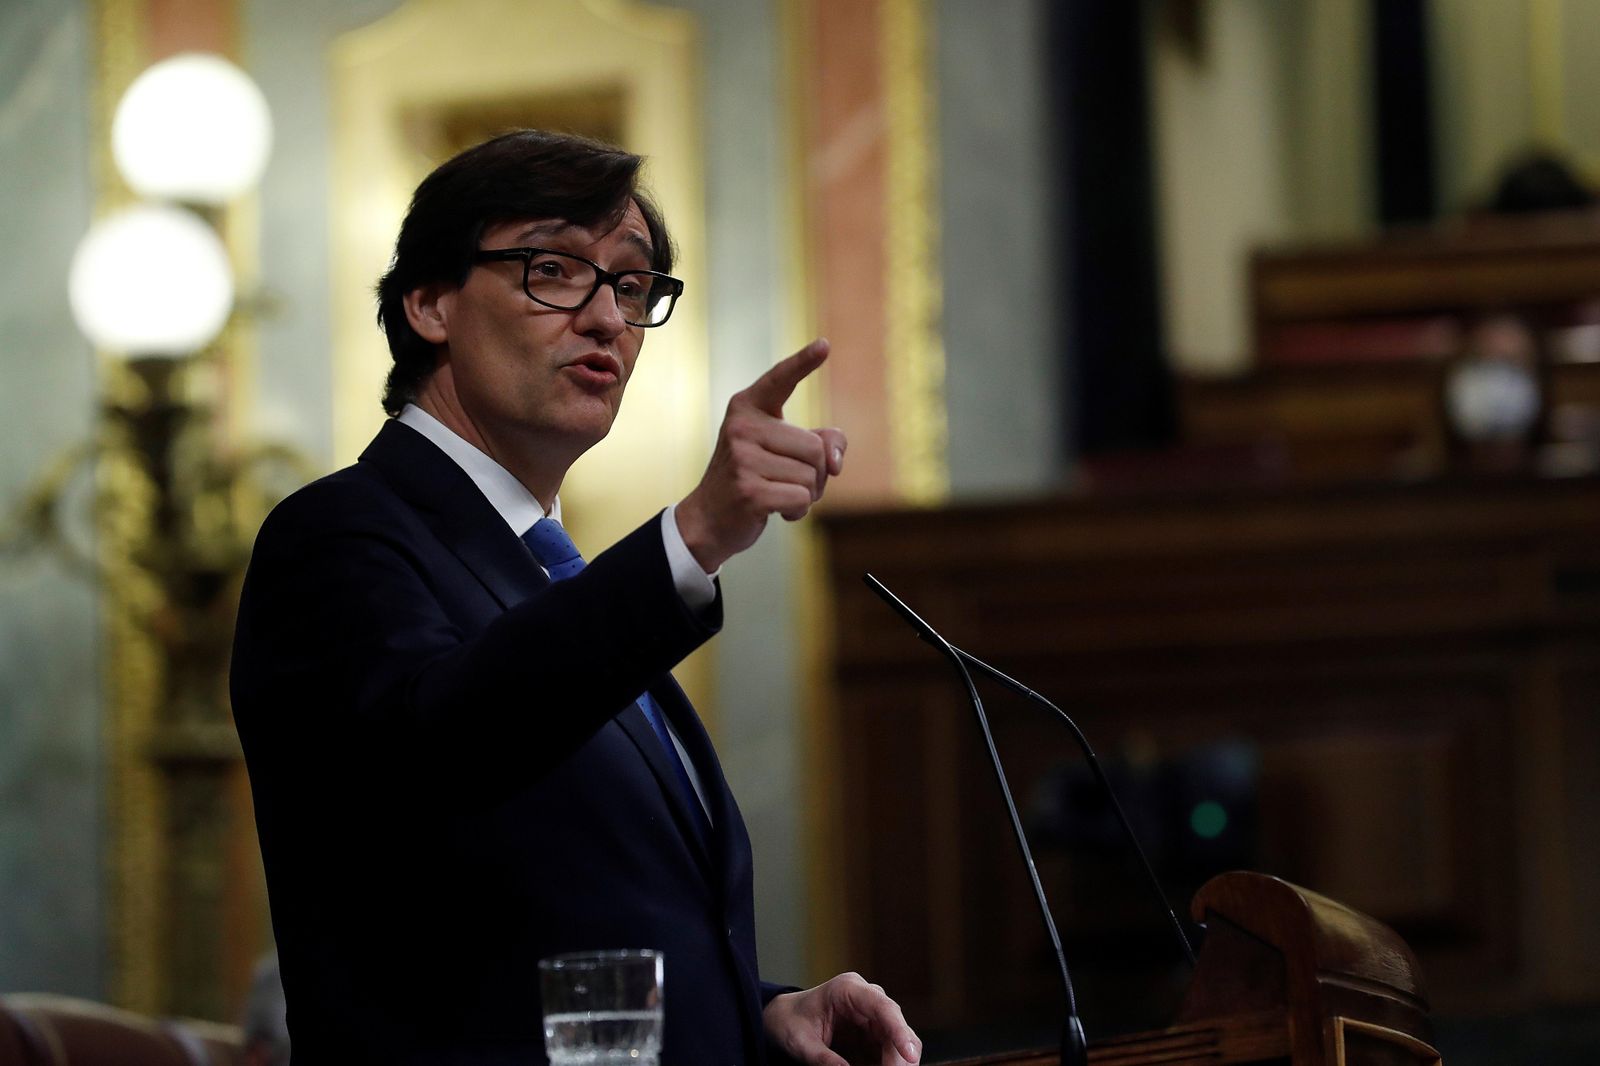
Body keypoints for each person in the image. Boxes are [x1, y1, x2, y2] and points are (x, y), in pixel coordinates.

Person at [230, 129, 921, 1066]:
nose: (606, 319)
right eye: (553, 270)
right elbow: (442, 754)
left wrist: (759, 1014)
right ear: (430, 303)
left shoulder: (555, 578)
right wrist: (694, 536)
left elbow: (573, 927)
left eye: (631, 286)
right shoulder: (338, 534)